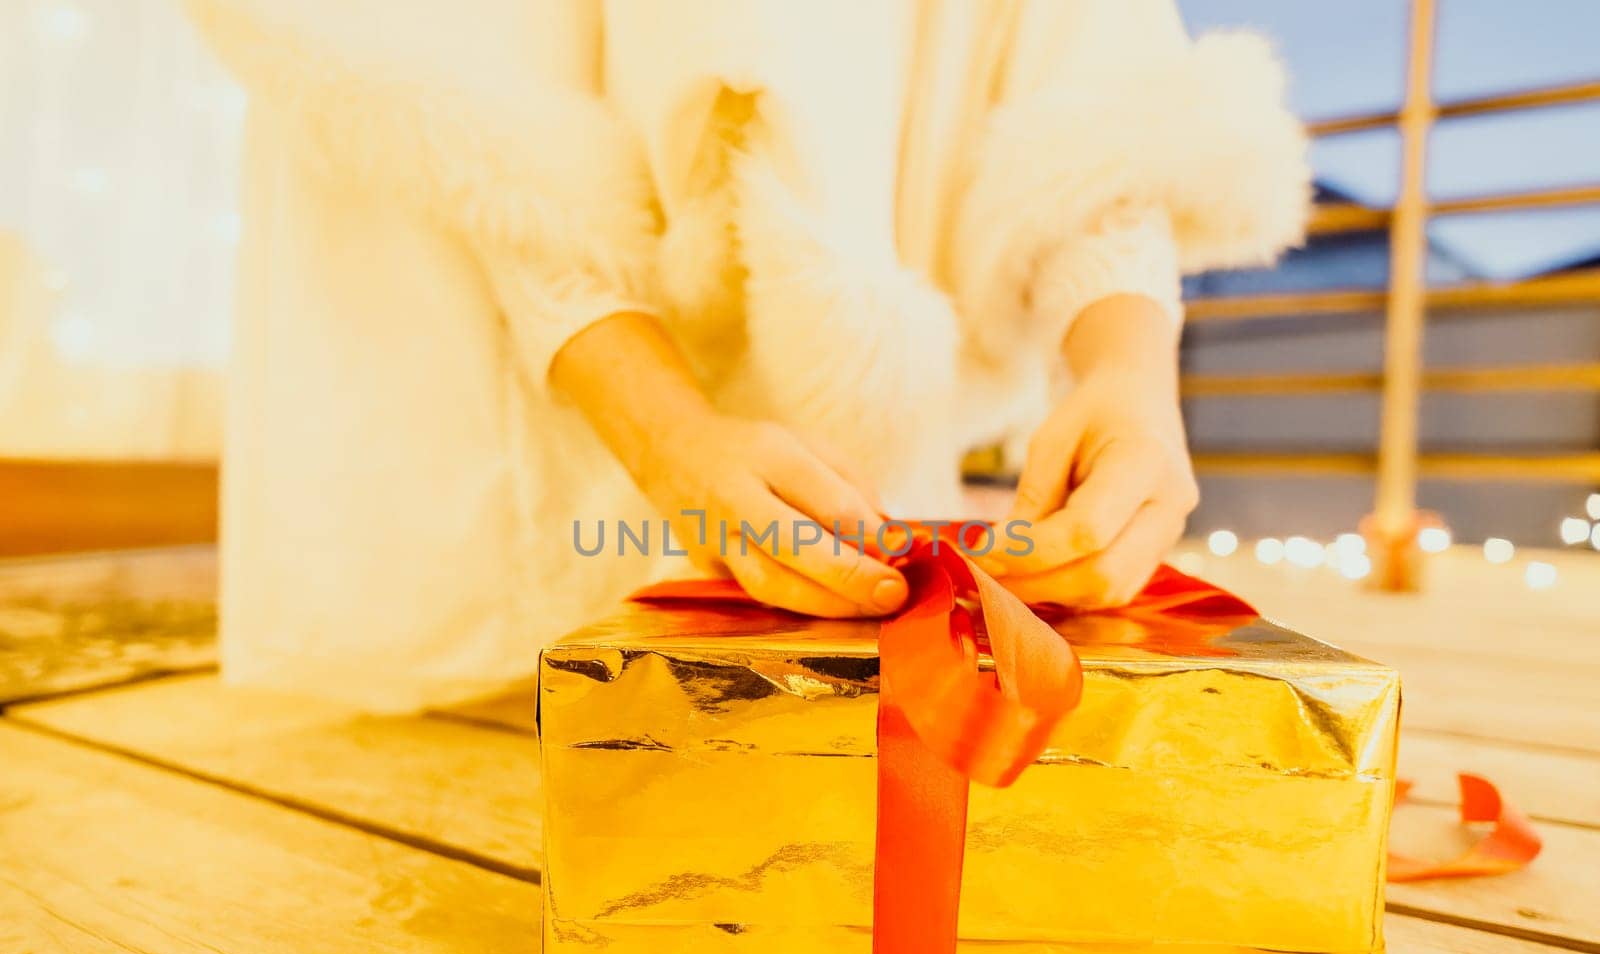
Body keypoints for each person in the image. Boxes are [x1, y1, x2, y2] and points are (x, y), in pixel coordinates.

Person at [187, 0, 1308, 711]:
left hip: (858, 498)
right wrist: (660, 425)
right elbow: (457, 104)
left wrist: (1125, 363)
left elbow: (1081, 63)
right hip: (546, 430)